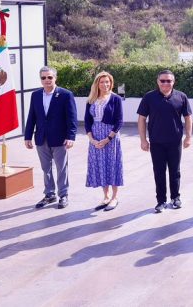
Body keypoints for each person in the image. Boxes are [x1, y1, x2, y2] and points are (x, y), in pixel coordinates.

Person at [137, 70, 193, 214]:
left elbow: (188, 117)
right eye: (163, 80)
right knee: (159, 172)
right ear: (158, 81)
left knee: (175, 171)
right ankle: (161, 201)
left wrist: (188, 137)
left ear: (173, 82)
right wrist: (143, 140)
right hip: (156, 142)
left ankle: (175, 198)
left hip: (175, 141)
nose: (165, 83)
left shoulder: (181, 97)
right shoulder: (149, 97)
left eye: (169, 81)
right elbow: (142, 119)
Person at [23, 66, 78, 209]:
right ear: (40, 79)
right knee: (45, 168)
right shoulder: (35, 95)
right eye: (43, 78)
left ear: (55, 78)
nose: (47, 80)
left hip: (60, 139)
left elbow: (72, 118)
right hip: (41, 138)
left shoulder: (66, 95)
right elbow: (31, 117)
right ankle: (49, 194)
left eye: (49, 77)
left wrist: (71, 137)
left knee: (61, 168)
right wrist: (27, 136)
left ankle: (63, 195)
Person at [84, 71, 124, 212]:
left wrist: (108, 139)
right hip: (95, 137)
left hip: (111, 136)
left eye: (107, 82)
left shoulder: (116, 99)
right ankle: (106, 196)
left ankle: (114, 197)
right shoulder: (91, 99)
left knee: (112, 165)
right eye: (102, 82)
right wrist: (92, 139)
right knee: (101, 165)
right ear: (97, 84)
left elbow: (119, 121)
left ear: (111, 83)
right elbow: (87, 121)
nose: (105, 84)